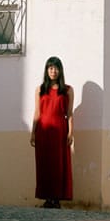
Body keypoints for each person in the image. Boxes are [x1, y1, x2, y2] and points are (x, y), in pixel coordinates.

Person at [30, 55, 73, 208]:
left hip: (60, 131)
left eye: (56, 68)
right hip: (43, 131)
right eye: (50, 68)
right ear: (46, 70)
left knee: (58, 164)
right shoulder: (40, 90)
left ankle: (57, 198)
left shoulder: (67, 90)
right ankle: (47, 198)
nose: (53, 71)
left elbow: (69, 113)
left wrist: (70, 132)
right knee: (44, 164)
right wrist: (33, 132)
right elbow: (37, 112)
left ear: (60, 71)